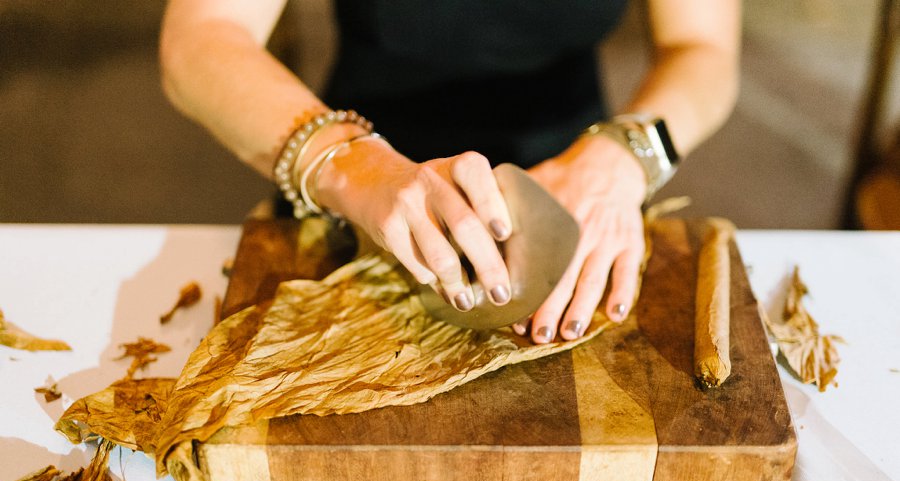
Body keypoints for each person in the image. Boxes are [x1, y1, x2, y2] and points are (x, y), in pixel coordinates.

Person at [160, 0, 740, 344]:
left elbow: (702, 47)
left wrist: (623, 156)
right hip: (350, 178)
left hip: (582, 187)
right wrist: (352, 166)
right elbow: (201, 37)